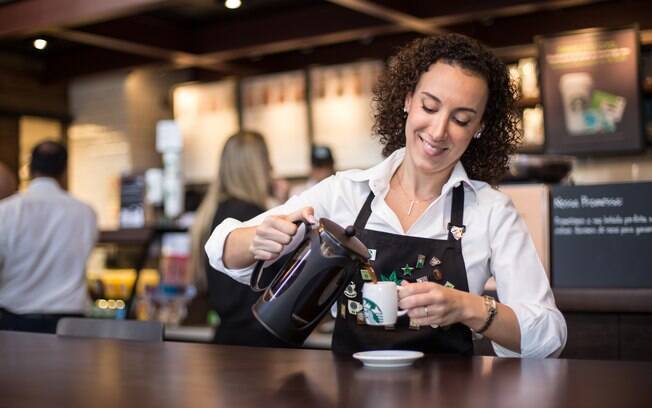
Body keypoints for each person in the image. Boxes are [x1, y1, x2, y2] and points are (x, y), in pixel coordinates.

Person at [205, 34, 567, 358]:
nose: (438, 131)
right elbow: (220, 247)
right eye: (429, 106)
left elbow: (549, 334)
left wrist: (466, 308)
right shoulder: (345, 192)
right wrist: (259, 238)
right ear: (408, 100)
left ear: (479, 128)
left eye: (461, 119)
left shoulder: (490, 211)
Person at [190, 130, 287, 346]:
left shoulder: (210, 214)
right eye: (267, 161)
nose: (272, 168)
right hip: (259, 344)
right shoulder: (254, 218)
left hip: (225, 338)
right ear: (257, 167)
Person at [0, 141, 97, 333]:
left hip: (16, 322)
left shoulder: (7, 210)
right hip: (72, 325)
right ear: (64, 172)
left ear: (29, 169)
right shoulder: (86, 213)